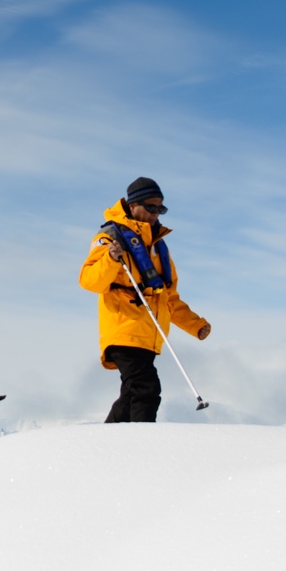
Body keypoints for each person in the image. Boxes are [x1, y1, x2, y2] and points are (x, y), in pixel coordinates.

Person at [79, 176, 211, 422]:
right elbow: (89, 280)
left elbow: (168, 297)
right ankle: (141, 444)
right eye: (150, 207)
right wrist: (110, 258)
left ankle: (105, 442)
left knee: (131, 394)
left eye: (160, 208)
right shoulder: (109, 238)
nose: (155, 213)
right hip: (124, 330)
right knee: (147, 388)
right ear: (132, 206)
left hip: (148, 335)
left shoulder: (158, 247)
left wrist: (195, 325)